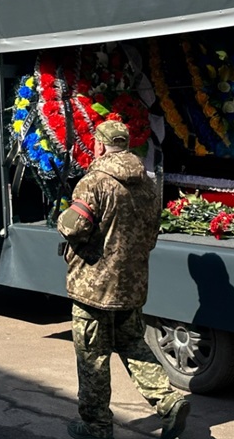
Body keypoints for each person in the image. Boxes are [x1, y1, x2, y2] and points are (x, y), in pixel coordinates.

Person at [56, 120, 190, 439]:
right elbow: (151, 236)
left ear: (100, 146)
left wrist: (62, 218)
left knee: (93, 356)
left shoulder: (95, 182)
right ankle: (168, 401)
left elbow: (73, 226)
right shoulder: (147, 185)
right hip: (131, 286)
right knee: (133, 345)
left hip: (93, 287)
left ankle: (96, 426)